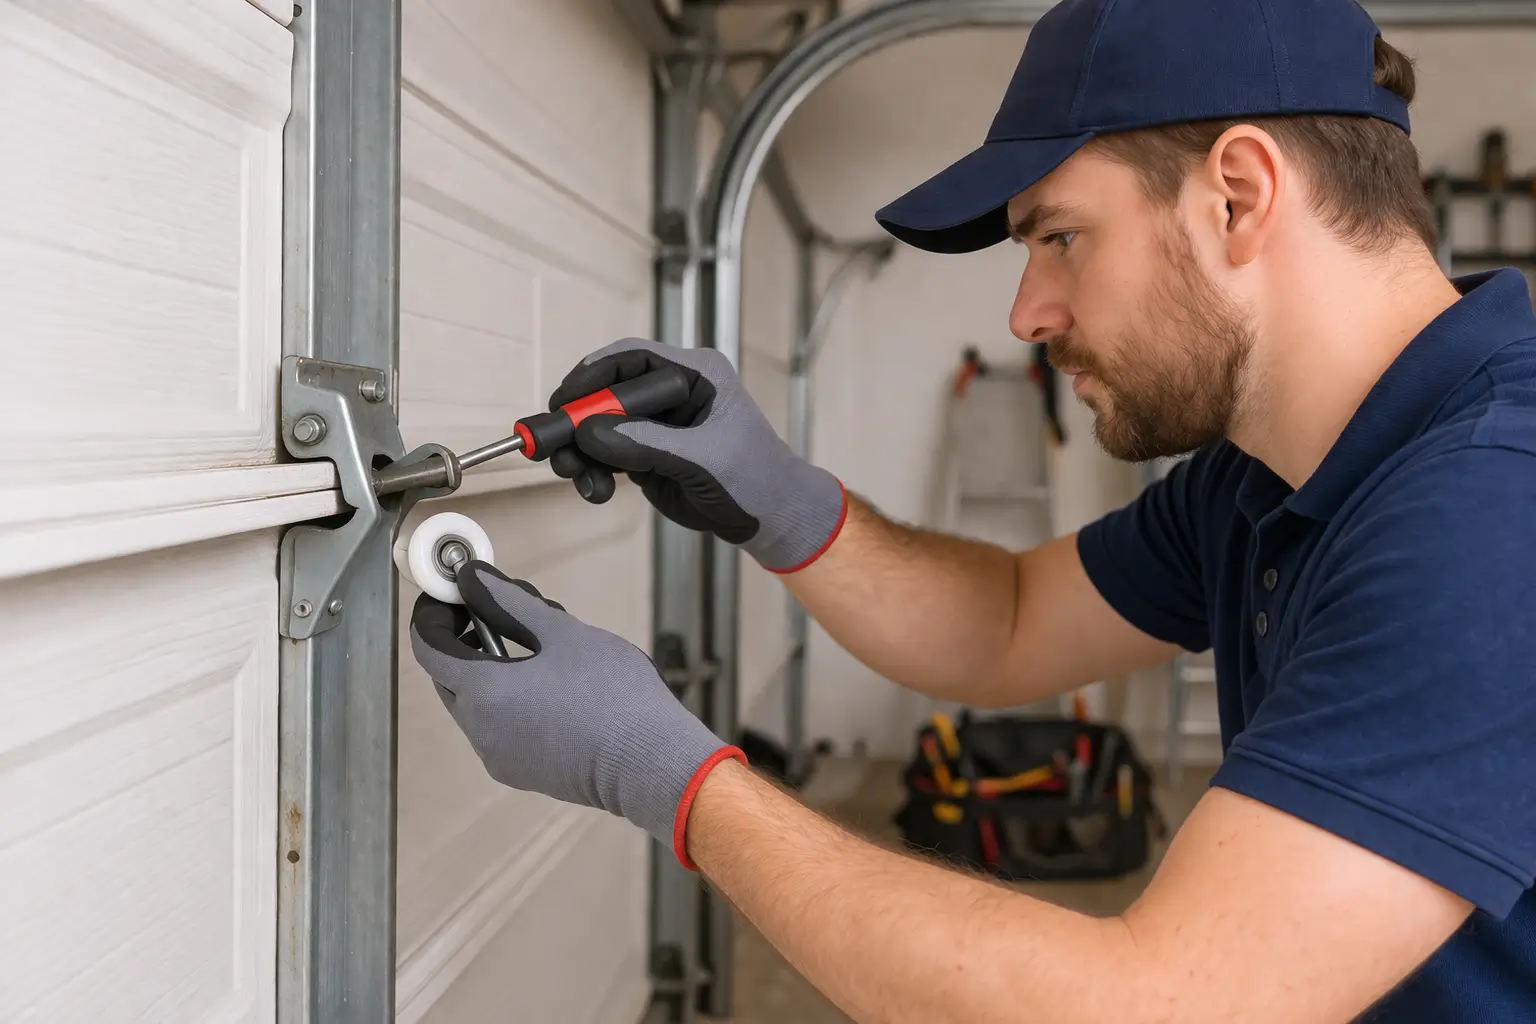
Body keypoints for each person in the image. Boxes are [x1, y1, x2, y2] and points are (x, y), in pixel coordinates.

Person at [409, 0, 1536, 1019]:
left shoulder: (1489, 505)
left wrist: (661, 770)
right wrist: (778, 498)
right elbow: (1007, 621)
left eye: (1059, 235)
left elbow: (1160, 1007)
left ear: (1238, 193)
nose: (1027, 312)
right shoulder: (1268, 470)